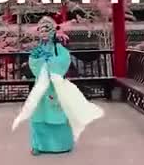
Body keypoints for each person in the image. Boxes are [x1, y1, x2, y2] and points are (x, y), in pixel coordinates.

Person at [12, 18, 104, 155]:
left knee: (59, 113)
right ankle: (39, 145)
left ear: (52, 32)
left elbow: (64, 61)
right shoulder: (38, 49)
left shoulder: (59, 49)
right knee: (38, 115)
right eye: (41, 30)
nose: (44, 33)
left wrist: (51, 61)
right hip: (41, 86)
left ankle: (61, 145)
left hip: (56, 86)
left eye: (46, 30)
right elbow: (33, 63)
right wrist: (40, 60)